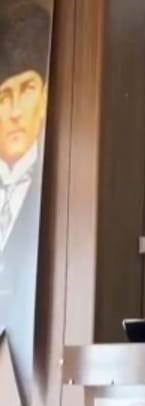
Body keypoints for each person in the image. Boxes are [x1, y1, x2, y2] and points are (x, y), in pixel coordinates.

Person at [0, 0, 49, 253]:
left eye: (27, 89)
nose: (16, 111)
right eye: (4, 96)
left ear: (44, 98)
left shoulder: (54, 183)